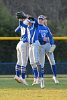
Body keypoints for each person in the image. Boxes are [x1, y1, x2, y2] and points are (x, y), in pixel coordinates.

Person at [32, 15, 59, 86]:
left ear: (44, 20)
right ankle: (42, 80)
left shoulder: (46, 28)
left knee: (52, 61)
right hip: (40, 46)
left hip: (47, 45)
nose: (40, 20)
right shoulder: (36, 27)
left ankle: (55, 76)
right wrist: (42, 39)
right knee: (41, 63)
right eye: (39, 19)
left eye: (42, 19)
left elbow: (50, 37)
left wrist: (52, 44)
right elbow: (36, 37)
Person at [14, 12, 29, 85]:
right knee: (24, 61)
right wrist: (25, 18)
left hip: (19, 43)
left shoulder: (22, 23)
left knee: (19, 60)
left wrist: (20, 20)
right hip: (25, 44)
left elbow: (16, 30)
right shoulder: (28, 23)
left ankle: (17, 75)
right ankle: (23, 78)